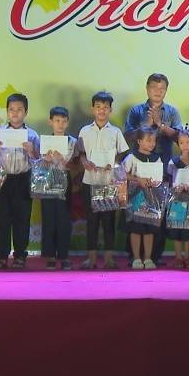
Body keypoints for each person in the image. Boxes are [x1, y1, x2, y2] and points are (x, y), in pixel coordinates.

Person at [123, 73, 182, 265]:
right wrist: (146, 126)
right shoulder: (136, 111)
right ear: (147, 89)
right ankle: (134, 256)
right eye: (154, 87)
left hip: (162, 169)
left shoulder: (172, 112)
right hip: (138, 172)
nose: (158, 91)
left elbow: (179, 138)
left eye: (162, 88)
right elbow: (127, 137)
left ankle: (154, 256)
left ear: (166, 90)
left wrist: (160, 125)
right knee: (135, 212)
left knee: (158, 213)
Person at [77, 91, 130, 270]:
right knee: (91, 221)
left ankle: (109, 259)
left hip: (109, 182)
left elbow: (122, 154)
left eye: (105, 108)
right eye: (98, 107)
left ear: (110, 110)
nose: (102, 111)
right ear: (93, 109)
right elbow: (81, 153)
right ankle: (91, 259)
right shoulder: (85, 130)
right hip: (90, 181)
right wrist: (84, 162)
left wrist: (113, 164)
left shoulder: (115, 132)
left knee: (108, 221)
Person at [0, 93, 41, 269]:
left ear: (26, 112)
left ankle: (20, 255)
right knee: (0, 217)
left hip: (23, 179)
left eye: (19, 110)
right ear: (7, 112)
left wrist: (32, 151)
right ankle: (2, 255)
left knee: (22, 218)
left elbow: (39, 162)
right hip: (1, 178)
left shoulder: (32, 135)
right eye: (11, 110)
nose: (15, 113)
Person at [40, 106, 76, 270]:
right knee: (48, 218)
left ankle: (64, 255)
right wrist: (45, 160)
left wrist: (63, 160)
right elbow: (38, 164)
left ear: (67, 123)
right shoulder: (45, 141)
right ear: (50, 122)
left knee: (64, 218)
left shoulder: (72, 142)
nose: (60, 124)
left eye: (63, 121)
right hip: (47, 181)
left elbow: (75, 165)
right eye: (57, 121)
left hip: (65, 180)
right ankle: (50, 255)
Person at [123, 128, 164, 269]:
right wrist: (137, 179)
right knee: (136, 228)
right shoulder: (131, 157)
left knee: (149, 228)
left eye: (154, 140)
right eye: (148, 140)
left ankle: (148, 258)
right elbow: (122, 173)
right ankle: (136, 258)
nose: (152, 143)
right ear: (139, 141)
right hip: (135, 197)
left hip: (152, 197)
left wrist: (155, 182)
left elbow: (160, 178)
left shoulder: (157, 158)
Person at [166, 129, 189, 268]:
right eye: (181, 143)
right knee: (176, 227)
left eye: (188, 142)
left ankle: (187, 258)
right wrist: (176, 188)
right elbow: (169, 181)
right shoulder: (173, 162)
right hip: (176, 200)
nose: (185, 145)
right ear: (178, 145)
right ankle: (177, 257)